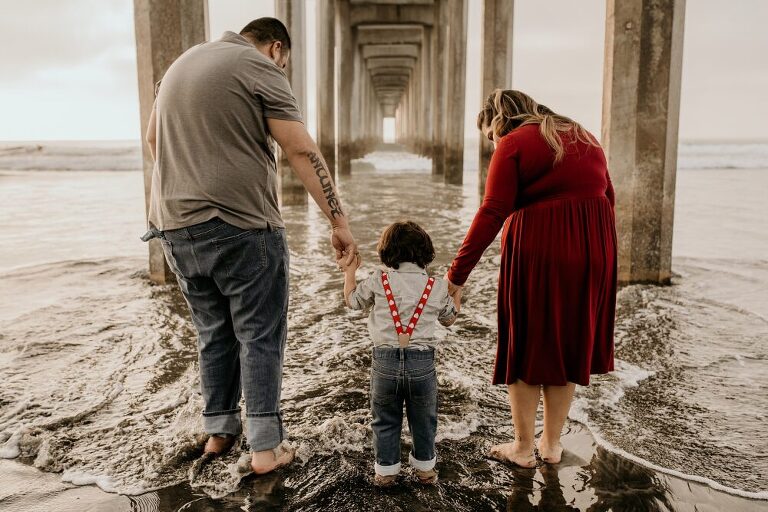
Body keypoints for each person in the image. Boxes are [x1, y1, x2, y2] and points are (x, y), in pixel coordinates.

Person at [141, 18, 357, 475]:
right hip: (241, 224)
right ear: (276, 48)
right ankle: (265, 449)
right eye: (285, 63)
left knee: (213, 333)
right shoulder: (258, 67)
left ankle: (219, 432)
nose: (283, 70)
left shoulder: (181, 64)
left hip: (176, 227)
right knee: (259, 334)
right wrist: (339, 222)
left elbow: (153, 141)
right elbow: (300, 150)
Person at [446, 89, 617, 468]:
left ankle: (522, 448)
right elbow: (608, 195)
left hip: (542, 243)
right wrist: (598, 254)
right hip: (596, 246)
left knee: (523, 345)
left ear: (499, 118)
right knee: (567, 344)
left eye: (490, 136)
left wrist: (456, 275)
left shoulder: (514, 142)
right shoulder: (582, 134)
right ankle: (551, 445)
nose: (493, 145)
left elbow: (492, 211)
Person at [338, 221, 460, 486]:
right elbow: (450, 319)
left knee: (384, 420)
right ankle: (425, 471)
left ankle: (386, 473)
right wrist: (456, 292)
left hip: (384, 363)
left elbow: (352, 302)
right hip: (422, 364)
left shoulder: (379, 280)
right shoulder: (436, 286)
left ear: (388, 252)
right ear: (425, 252)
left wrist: (349, 271)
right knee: (424, 421)